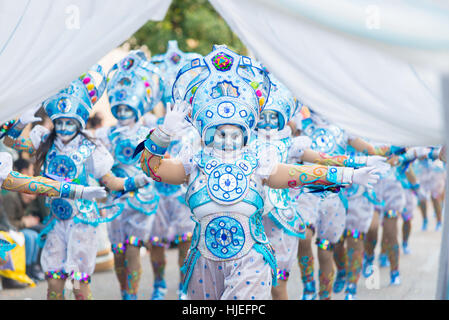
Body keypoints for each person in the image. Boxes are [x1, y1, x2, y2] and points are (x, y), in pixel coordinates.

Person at [135, 45, 379, 300]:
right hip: (203, 263)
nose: (228, 138)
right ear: (208, 133)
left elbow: (301, 172)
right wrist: (163, 134)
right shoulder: (193, 163)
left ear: (245, 133)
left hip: (250, 261)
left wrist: (350, 175)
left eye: (235, 133)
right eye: (221, 132)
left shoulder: (260, 162)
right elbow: (153, 168)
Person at [2, 64, 153, 300]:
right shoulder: (44, 140)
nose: (62, 128)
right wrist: (20, 123)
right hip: (55, 220)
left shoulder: (90, 147)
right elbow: (11, 143)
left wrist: (134, 182)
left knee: (79, 285)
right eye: (59, 122)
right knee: (53, 283)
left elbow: (110, 180)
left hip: (82, 221)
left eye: (69, 123)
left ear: (79, 122)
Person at [94, 50, 162, 300]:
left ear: (137, 107)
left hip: (141, 198)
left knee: (133, 250)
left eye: (127, 107)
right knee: (118, 253)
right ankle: (125, 293)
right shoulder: (105, 134)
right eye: (119, 107)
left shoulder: (149, 132)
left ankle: (131, 295)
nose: (122, 112)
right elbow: (99, 165)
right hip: (115, 197)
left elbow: (158, 161)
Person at [144, 41, 202, 300]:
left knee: (186, 241)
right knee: (155, 241)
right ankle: (158, 283)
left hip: (183, 195)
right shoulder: (155, 124)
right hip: (157, 193)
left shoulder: (198, 130)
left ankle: (182, 285)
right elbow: (145, 159)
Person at [2, 158, 47, 282]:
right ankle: (25, 271)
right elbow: (9, 221)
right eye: (31, 171)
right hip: (12, 229)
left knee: (37, 233)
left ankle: (32, 269)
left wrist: (26, 201)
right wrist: (24, 222)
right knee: (30, 236)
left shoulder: (20, 190)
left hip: (15, 226)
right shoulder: (10, 195)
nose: (32, 175)